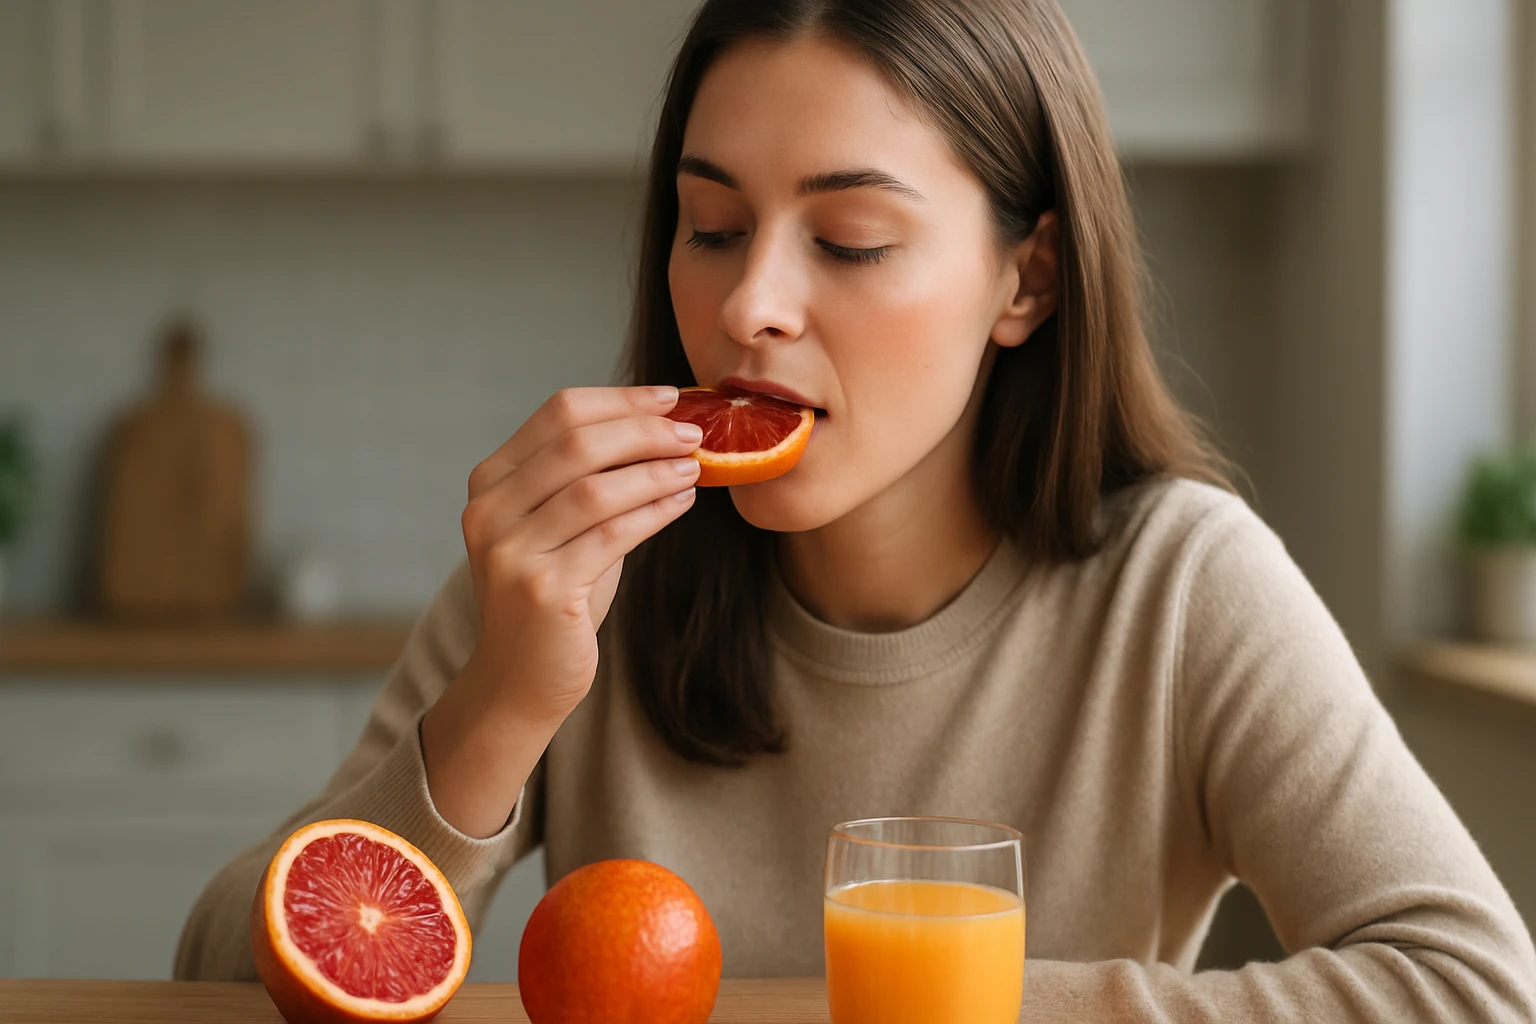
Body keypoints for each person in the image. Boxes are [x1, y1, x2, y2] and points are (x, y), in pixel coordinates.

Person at [177, 0, 1536, 1018]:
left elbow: (1472, 986)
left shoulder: (1181, 589)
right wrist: (502, 707)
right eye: (711, 227)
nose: (747, 305)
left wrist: (953, 1006)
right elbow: (226, 972)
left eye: (851, 241)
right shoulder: (578, 572)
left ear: (1028, 282)